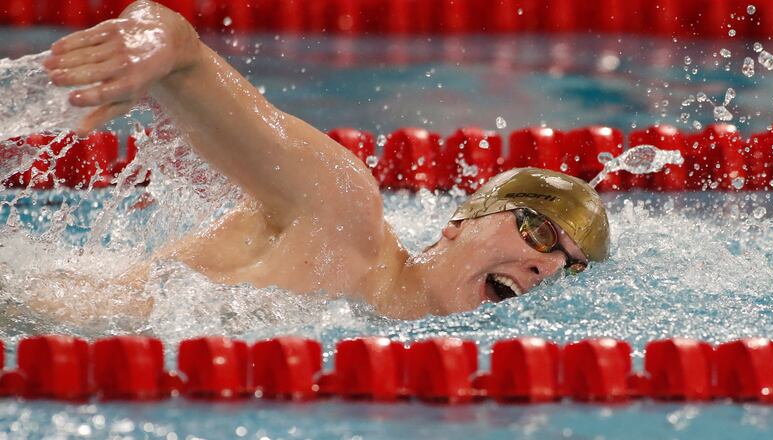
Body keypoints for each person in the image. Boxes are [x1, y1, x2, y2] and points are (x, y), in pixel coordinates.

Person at [38, 0, 609, 321]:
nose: (548, 268)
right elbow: (182, 52)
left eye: (570, 263)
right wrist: (154, 43)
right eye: (537, 231)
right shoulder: (342, 216)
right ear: (458, 222)